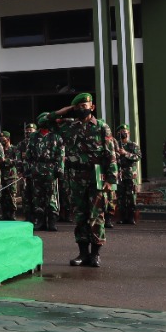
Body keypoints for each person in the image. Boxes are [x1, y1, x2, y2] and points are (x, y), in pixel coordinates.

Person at [52, 93, 115, 267]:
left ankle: (95, 254)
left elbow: (111, 154)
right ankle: (82, 253)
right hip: (76, 177)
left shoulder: (102, 127)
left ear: (92, 107)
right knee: (80, 216)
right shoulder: (69, 126)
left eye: (85, 105)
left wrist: (112, 179)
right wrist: (66, 110)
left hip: (96, 175)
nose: (82, 109)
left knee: (96, 215)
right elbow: (44, 121)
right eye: (78, 106)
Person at [115, 124, 141, 225]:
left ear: (128, 133)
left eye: (125, 131)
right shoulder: (115, 145)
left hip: (130, 174)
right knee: (120, 197)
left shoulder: (133, 145)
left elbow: (138, 157)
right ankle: (122, 217)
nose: (123, 133)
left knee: (131, 196)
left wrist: (125, 153)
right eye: (121, 132)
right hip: (119, 173)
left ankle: (131, 217)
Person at [0, 131, 19, 221]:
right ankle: (4, 214)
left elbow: (17, 161)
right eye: (0, 139)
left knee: (11, 196)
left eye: (3, 139)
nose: (2, 141)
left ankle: (12, 214)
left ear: (8, 139)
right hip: (1, 175)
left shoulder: (14, 149)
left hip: (11, 175)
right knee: (2, 196)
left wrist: (5, 161)